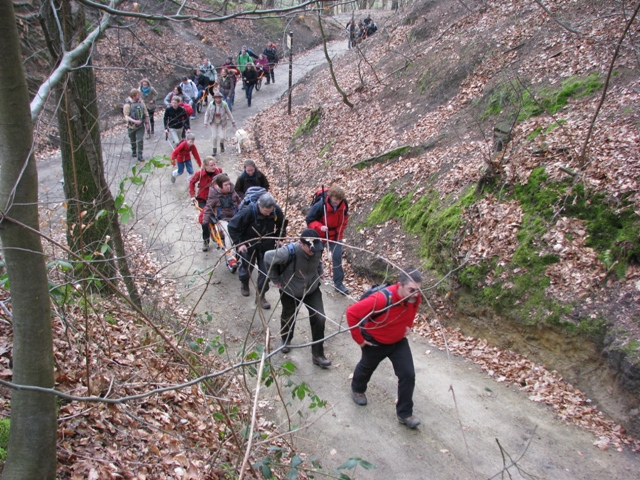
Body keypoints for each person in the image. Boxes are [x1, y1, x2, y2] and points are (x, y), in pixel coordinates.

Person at [347, 268, 423, 429]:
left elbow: (414, 308)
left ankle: (405, 414)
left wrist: (409, 325)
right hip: (375, 340)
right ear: (400, 285)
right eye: (411, 290)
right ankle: (357, 388)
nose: (416, 294)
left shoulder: (414, 297)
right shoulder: (381, 299)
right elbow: (352, 313)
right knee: (367, 367)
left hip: (398, 342)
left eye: (418, 290)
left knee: (408, 375)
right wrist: (359, 340)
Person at [265, 228, 332, 368]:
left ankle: (317, 354)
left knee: (319, 318)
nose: (314, 251)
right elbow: (267, 257)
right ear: (301, 244)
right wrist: (275, 279)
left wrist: (320, 272)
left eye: (316, 249)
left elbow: (318, 260)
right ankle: (286, 339)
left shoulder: (317, 248)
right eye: (310, 249)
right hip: (290, 290)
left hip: (312, 289)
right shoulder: (288, 252)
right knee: (288, 315)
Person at [228, 193, 286, 309]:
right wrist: (240, 243)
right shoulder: (248, 211)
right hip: (249, 243)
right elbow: (232, 226)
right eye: (266, 211)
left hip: (267, 243)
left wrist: (280, 237)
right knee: (247, 267)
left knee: (266, 271)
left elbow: (282, 224)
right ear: (259, 205)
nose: (268, 213)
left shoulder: (276, 210)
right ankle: (244, 283)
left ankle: (261, 295)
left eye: (270, 211)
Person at [305, 185, 350, 295]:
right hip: (320, 234)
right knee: (315, 256)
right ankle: (312, 278)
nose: (337, 202)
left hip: (335, 235)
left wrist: (340, 231)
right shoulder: (320, 205)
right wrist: (320, 227)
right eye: (335, 199)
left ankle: (338, 284)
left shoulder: (344, 205)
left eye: (339, 200)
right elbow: (309, 220)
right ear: (330, 197)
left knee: (337, 257)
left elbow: (345, 219)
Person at [202, 174, 241, 264]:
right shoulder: (214, 196)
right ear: (220, 186)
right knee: (228, 233)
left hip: (235, 217)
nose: (228, 186)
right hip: (222, 219)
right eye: (226, 185)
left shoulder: (233, 192)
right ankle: (230, 258)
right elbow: (208, 209)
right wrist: (205, 223)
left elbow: (240, 202)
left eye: (229, 184)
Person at [190, 157, 223, 250]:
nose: (214, 167)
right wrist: (192, 195)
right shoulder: (199, 174)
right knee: (205, 221)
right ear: (205, 166)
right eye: (211, 165)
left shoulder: (219, 171)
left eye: (214, 164)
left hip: (216, 198)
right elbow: (192, 182)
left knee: (220, 217)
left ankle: (219, 236)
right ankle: (206, 240)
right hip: (203, 199)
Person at [204, 91, 236, 156]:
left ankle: (221, 144)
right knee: (214, 136)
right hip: (213, 122)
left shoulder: (224, 104)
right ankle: (214, 150)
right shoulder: (211, 104)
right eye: (216, 98)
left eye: (219, 98)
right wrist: (205, 122)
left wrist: (233, 121)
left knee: (222, 137)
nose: (218, 99)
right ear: (214, 98)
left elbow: (229, 113)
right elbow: (207, 113)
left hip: (222, 122)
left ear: (221, 98)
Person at [123, 88, 150, 162]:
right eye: (138, 95)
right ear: (134, 96)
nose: (139, 96)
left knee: (140, 140)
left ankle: (140, 155)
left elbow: (146, 113)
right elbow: (126, 116)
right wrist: (135, 121)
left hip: (141, 126)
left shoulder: (141, 103)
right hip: (131, 126)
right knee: (133, 140)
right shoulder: (127, 105)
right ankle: (134, 150)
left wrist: (147, 123)